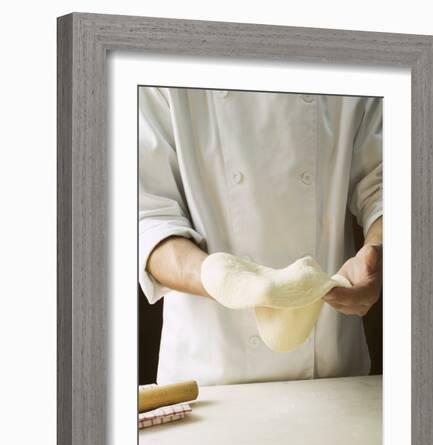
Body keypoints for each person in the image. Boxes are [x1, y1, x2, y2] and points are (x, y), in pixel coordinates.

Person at [139, 86, 382, 385]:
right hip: (209, 376)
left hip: (330, 375)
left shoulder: (351, 55)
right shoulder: (162, 65)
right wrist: (226, 279)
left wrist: (378, 251)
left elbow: (386, 184)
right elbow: (148, 218)